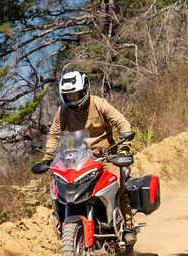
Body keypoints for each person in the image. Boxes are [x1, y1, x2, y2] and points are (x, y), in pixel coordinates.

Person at [43, 69, 137, 242]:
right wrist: (48, 156)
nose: (71, 98)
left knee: (118, 186)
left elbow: (124, 124)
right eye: (68, 95)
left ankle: (128, 226)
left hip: (107, 156)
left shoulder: (100, 104)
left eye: (75, 94)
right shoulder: (63, 110)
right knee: (62, 188)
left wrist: (124, 148)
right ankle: (65, 225)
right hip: (79, 158)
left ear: (84, 90)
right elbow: (54, 134)